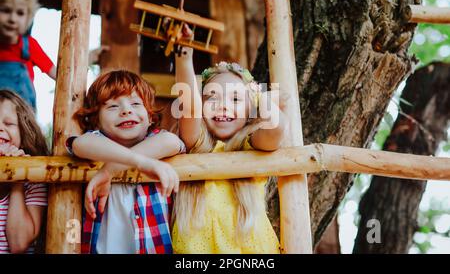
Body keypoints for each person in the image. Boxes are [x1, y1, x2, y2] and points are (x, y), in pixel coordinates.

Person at [172, 26, 287, 253]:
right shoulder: (196, 145)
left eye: (235, 99)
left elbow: (275, 130)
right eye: (212, 97)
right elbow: (189, 107)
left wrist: (261, 98)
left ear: (249, 111)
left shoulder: (249, 144)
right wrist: (184, 56)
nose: (223, 105)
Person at [67, 70, 183, 254]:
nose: (126, 110)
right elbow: (80, 144)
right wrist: (142, 163)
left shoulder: (157, 140)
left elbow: (171, 142)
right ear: (96, 121)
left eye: (136, 103)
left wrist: (108, 171)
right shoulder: (96, 143)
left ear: (150, 117)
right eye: (113, 107)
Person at [0, 90, 48, 253]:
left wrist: (17, 178)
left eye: (8, 123)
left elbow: (18, 244)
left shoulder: (34, 181)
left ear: (23, 131)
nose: (0, 128)